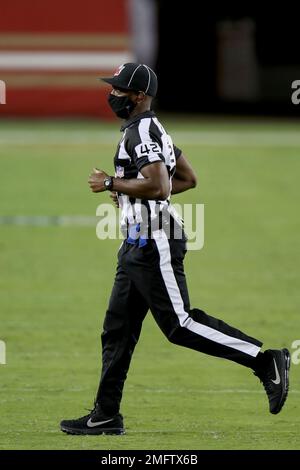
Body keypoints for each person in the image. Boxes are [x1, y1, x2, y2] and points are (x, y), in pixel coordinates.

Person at [60, 63, 290, 436]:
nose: (112, 95)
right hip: (136, 242)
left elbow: (159, 186)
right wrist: (128, 190)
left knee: (179, 324)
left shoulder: (142, 130)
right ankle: (105, 414)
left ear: (138, 96)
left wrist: (111, 184)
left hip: (154, 240)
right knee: (117, 330)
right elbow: (187, 179)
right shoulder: (149, 128)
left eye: (119, 90)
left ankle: (265, 362)